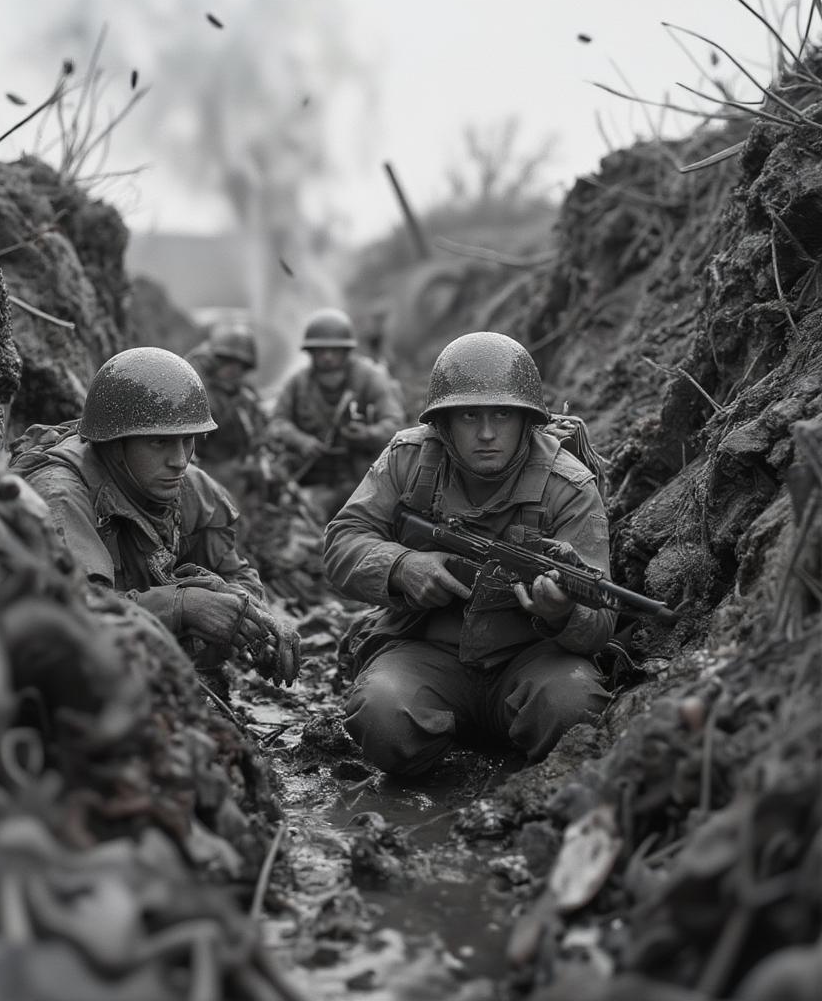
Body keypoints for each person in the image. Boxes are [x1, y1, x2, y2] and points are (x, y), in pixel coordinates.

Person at [323, 331, 612, 777]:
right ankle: (436, 747)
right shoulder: (409, 460)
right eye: (469, 416)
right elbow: (343, 540)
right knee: (381, 715)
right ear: (443, 423)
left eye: (502, 414)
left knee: (575, 710)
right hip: (425, 649)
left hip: (531, 659)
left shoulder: (568, 487)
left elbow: (600, 621)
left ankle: (524, 768)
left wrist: (562, 613)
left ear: (528, 420)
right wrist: (403, 566)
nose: (487, 433)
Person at [9, 346, 299, 696]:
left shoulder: (187, 485)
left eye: (187, 440)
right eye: (160, 442)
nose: (179, 461)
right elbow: (69, 614)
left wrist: (255, 617)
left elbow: (233, 571)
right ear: (115, 443)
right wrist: (182, 606)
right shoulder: (60, 495)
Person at [267, 307, 405, 521]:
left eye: (335, 350)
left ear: (346, 351)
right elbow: (277, 422)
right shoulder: (298, 384)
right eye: (321, 351)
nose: (328, 357)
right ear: (311, 353)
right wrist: (301, 440)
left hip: (362, 477)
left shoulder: (370, 379)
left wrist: (367, 434)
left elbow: (394, 423)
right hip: (312, 477)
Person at [185, 323, 267, 500]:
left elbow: (261, 430)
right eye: (226, 361)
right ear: (214, 361)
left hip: (240, 470)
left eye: (240, 364)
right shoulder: (198, 391)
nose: (233, 369)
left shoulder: (246, 397)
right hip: (204, 471)